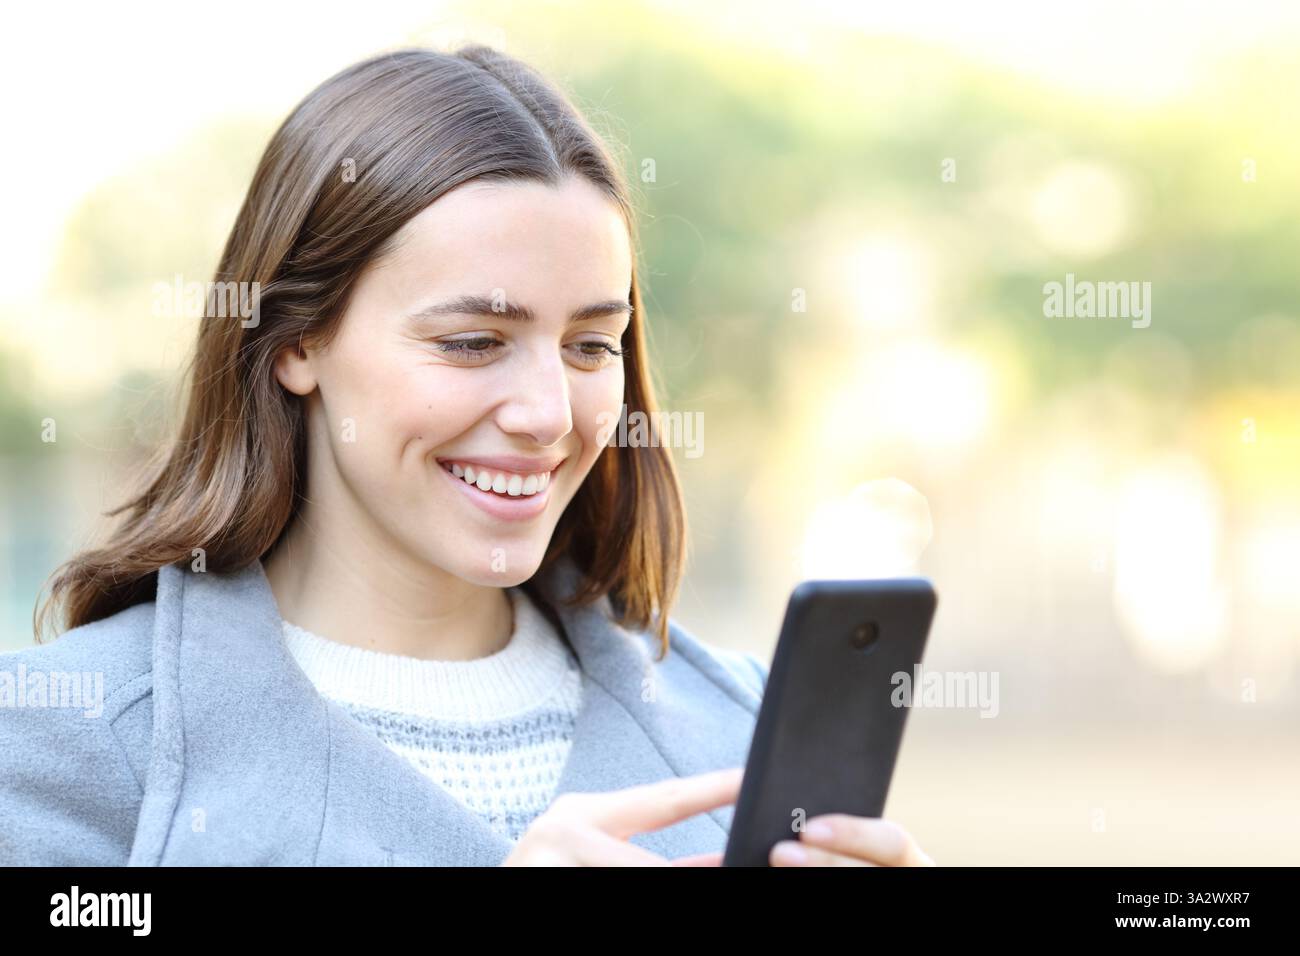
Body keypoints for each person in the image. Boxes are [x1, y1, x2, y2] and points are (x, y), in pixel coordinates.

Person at [0, 45, 934, 867]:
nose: (544, 414)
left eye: (590, 346)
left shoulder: (746, 730)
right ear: (294, 342)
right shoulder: (54, 744)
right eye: (473, 342)